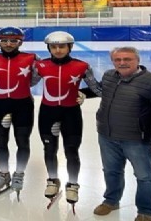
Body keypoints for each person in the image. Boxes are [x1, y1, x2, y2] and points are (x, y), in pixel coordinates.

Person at [33, 31, 101, 203]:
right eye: (53, 46)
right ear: (48, 48)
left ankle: (73, 184)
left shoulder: (83, 66)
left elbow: (97, 88)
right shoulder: (40, 65)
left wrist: (84, 93)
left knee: (71, 150)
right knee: (49, 149)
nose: (57, 50)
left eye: (61, 46)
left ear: (70, 47)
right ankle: (52, 179)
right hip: (48, 114)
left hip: (71, 114)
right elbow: (27, 83)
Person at [94, 47, 151, 221]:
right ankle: (111, 201)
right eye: (118, 60)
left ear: (137, 60)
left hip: (137, 139)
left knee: (144, 176)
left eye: (127, 59)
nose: (122, 63)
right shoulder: (109, 76)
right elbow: (101, 91)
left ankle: (146, 211)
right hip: (107, 135)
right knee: (111, 171)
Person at [0, 27, 38, 194]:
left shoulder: (31, 58)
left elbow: (37, 78)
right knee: (0, 142)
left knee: (22, 141)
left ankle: (19, 174)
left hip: (22, 105)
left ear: (20, 42)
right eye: (4, 40)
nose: (8, 44)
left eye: (13, 41)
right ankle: (4, 174)